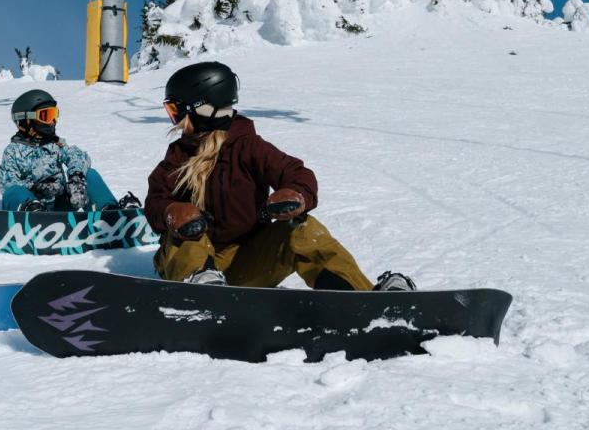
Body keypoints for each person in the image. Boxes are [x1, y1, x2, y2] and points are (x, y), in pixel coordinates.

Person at [144, 61, 414, 291]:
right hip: (188, 265)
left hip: (246, 262)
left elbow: (297, 173)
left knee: (301, 229)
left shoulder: (249, 147)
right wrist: (170, 210)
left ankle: (358, 298)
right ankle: (202, 287)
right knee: (188, 233)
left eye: (175, 110)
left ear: (202, 109)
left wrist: (297, 195)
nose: (174, 118)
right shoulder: (178, 156)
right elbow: (155, 200)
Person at [0, 89, 135, 212]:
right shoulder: (13, 151)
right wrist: (37, 187)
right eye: (46, 116)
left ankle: (108, 210)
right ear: (25, 120)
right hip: (32, 205)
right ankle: (33, 212)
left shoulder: (56, 145)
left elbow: (78, 156)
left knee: (90, 173)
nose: (52, 122)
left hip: (61, 204)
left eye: (54, 115)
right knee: (12, 192)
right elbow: (7, 184)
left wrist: (76, 177)